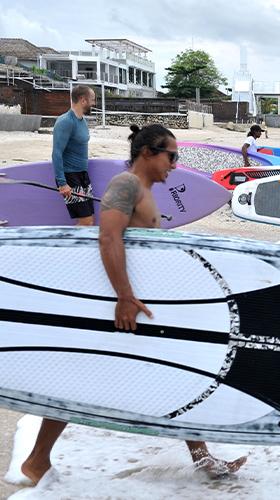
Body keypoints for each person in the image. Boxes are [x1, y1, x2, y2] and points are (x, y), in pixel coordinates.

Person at [20, 125, 247, 485]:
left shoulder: (144, 190)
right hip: (125, 304)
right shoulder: (125, 185)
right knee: (90, 379)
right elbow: (107, 237)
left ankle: (203, 459)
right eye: (171, 156)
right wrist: (123, 297)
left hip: (140, 304)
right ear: (148, 153)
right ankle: (36, 460)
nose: (175, 163)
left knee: (174, 376)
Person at [52, 84, 96, 226]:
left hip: (83, 175)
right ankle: (67, 247)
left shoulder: (82, 121)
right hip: (70, 177)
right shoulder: (65, 122)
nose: (94, 103)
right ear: (83, 100)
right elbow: (57, 153)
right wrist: (62, 183)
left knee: (89, 221)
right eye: (92, 100)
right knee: (86, 221)